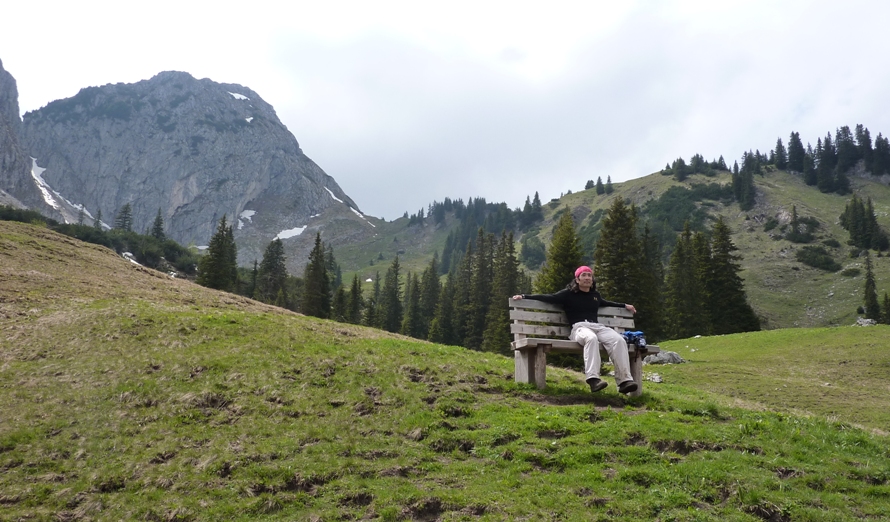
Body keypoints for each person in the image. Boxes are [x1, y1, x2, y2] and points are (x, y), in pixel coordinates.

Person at [512, 266, 639, 394]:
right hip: (579, 328)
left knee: (619, 340)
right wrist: (524, 296)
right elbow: (548, 297)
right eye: (584, 275)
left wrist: (624, 305)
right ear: (577, 279)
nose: (587, 278)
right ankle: (593, 379)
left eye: (589, 275)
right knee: (591, 338)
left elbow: (607, 303)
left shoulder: (595, 296)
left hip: (598, 327)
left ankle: (624, 381)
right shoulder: (568, 294)